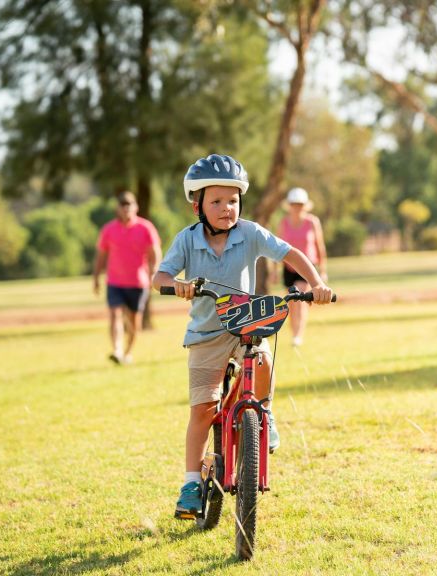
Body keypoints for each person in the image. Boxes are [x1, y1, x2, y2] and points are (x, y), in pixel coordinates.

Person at [152, 154, 333, 519]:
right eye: (216, 201)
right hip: (206, 334)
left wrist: (316, 284)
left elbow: (291, 253)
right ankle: (190, 483)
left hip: (244, 323)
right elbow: (160, 277)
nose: (226, 209)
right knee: (203, 408)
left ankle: (263, 412)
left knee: (263, 358)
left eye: (232, 201)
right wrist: (179, 285)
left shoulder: (250, 233)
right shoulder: (186, 240)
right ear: (197, 206)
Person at [93, 191, 161, 365]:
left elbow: (155, 252)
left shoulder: (146, 228)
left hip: (138, 283)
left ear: (135, 207)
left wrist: (155, 271)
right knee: (115, 315)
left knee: (133, 322)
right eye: (122, 205)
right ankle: (116, 350)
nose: (126, 209)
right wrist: (96, 278)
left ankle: (127, 353)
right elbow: (101, 255)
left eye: (129, 205)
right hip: (114, 282)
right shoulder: (109, 229)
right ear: (118, 209)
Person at [276, 187, 328, 347]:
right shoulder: (283, 223)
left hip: (307, 266)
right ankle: (294, 333)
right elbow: (276, 248)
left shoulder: (312, 222)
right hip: (289, 267)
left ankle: (299, 335)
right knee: (292, 302)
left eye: (300, 204)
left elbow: (320, 246)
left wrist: (323, 271)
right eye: (294, 204)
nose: (297, 207)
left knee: (301, 296)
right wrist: (274, 271)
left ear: (305, 205)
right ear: (290, 205)